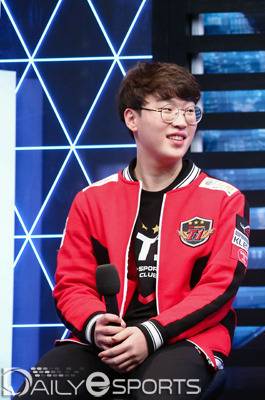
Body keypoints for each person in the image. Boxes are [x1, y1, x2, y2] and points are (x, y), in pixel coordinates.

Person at [21, 62, 249, 399]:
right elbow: (72, 284)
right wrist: (96, 324)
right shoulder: (92, 199)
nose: (182, 122)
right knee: (39, 392)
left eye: (190, 111)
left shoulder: (224, 199)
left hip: (185, 340)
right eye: (167, 109)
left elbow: (220, 287)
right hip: (104, 344)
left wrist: (150, 334)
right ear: (132, 118)